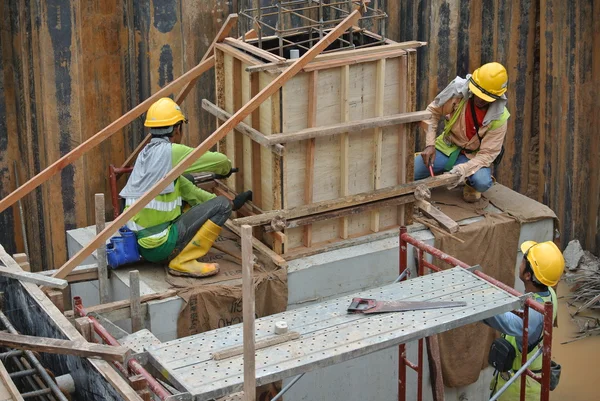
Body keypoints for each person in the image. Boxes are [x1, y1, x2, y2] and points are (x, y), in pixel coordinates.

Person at [120, 97, 252, 278]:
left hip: (142, 244)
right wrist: (226, 171)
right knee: (221, 206)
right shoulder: (172, 152)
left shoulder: (146, 154)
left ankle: (179, 251)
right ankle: (184, 261)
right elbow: (219, 161)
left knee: (187, 180)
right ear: (177, 128)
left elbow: (189, 190)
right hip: (161, 245)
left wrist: (232, 203)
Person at [415, 62, 510, 202]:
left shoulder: (500, 117)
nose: (481, 99)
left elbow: (488, 154)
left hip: (473, 156)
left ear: (496, 96)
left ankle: (469, 183)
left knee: (482, 182)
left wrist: (463, 170)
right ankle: (435, 165)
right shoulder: (458, 92)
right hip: (446, 147)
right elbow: (432, 112)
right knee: (411, 172)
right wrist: (430, 145)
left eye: (486, 97)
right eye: (479, 94)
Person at [484, 240, 564, 400]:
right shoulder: (548, 294)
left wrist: (475, 299)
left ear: (528, 275)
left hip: (519, 391)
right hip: (523, 382)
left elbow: (501, 319)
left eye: (523, 260)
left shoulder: (533, 315)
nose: (520, 262)